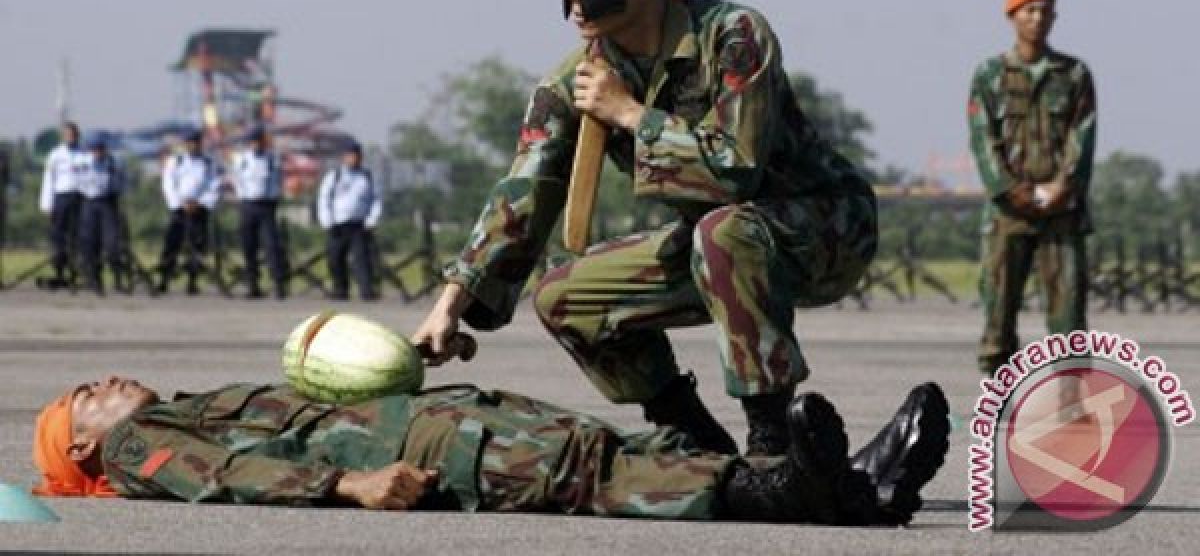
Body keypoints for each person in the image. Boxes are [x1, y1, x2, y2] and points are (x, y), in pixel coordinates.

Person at [414, 0, 877, 457]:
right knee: (565, 297)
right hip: (719, 246)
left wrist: (631, 115)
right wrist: (450, 304)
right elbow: (523, 192)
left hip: (822, 228)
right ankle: (697, 440)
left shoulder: (733, 36)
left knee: (725, 230)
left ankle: (773, 442)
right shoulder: (574, 81)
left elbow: (736, 169)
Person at [31, 373, 949, 526]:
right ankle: (801, 492)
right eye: (89, 392)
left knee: (611, 451)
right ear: (81, 441)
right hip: (426, 446)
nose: (109, 381)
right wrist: (347, 483)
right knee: (593, 475)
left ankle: (856, 486)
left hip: (443, 422)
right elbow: (224, 478)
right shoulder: (139, 447)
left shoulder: (181, 410)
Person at [968, 0, 1097, 374]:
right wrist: (1008, 188)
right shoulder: (990, 75)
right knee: (998, 306)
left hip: (1061, 210)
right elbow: (983, 138)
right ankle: (998, 388)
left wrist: (1064, 186)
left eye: (1045, 10)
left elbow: (1083, 135)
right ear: (1012, 17)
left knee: (1067, 310)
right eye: (1029, 10)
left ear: (1054, 17)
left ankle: (1071, 395)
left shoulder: (1073, 75)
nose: (1037, 18)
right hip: (1008, 212)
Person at [317, 140, 383, 300]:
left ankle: (366, 289)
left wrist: (372, 219)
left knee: (362, 259)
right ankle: (340, 289)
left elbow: (376, 199)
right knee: (335, 258)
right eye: (351, 155)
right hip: (337, 224)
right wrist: (327, 221)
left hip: (359, 224)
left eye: (357, 156)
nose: (354, 159)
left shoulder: (367, 176)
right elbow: (324, 199)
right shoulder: (334, 176)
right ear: (344, 157)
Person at [158, 128, 221, 294]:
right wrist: (179, 203)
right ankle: (164, 279)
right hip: (179, 209)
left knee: (197, 246)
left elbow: (214, 186)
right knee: (172, 244)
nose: (192, 145)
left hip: (199, 209)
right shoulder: (175, 161)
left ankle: (192, 281)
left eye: (195, 142)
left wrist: (200, 203)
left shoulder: (209, 163)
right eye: (189, 142)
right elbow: (168, 184)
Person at [232, 126, 287, 299]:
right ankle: (252, 285)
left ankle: (278, 284)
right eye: (252, 141)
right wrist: (242, 198)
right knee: (249, 248)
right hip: (248, 205)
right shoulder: (242, 160)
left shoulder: (272, 159)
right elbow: (237, 180)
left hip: (266, 206)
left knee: (271, 246)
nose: (255, 144)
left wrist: (273, 198)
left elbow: (278, 181)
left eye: (258, 140)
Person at [76, 131, 126, 294]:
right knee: (90, 244)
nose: (97, 152)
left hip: (107, 204)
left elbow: (121, 183)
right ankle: (94, 279)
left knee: (112, 244)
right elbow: (78, 183)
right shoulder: (83, 163)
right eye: (94, 149)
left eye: (100, 148)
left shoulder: (113, 164)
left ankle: (117, 277)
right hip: (89, 203)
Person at [37, 121, 85, 287]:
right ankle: (59, 268)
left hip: (79, 197)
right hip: (61, 197)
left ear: (77, 135)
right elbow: (49, 180)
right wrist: (47, 205)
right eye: (67, 134)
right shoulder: (55, 154)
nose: (70, 137)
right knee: (58, 235)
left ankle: (78, 269)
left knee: (78, 235)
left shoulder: (84, 153)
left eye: (72, 134)